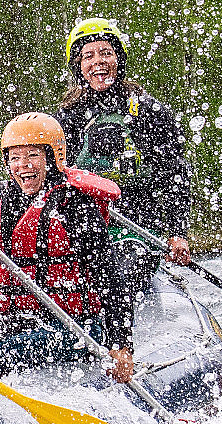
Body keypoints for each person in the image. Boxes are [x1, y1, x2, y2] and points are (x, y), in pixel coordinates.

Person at [0, 112, 134, 382]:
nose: (23, 166)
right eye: (15, 158)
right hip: (18, 317)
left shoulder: (75, 205)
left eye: (32, 155)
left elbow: (111, 277)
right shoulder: (1, 195)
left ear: (52, 157)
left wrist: (121, 346)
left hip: (75, 325)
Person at [55, 17, 192, 294]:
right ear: (79, 67)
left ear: (119, 59)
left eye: (106, 52)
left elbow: (176, 173)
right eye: (88, 56)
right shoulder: (67, 117)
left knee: (117, 274)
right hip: (86, 228)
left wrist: (178, 233)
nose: (98, 62)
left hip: (139, 229)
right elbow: (54, 177)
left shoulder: (148, 112)